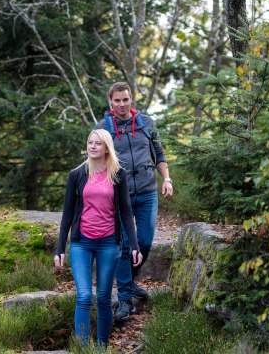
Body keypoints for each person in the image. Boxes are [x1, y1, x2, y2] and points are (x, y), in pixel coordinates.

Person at [55, 129, 143, 347]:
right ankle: (83, 350)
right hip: (81, 243)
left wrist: (134, 245)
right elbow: (67, 214)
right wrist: (60, 249)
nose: (92, 146)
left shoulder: (118, 174)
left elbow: (125, 210)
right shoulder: (77, 174)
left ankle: (102, 348)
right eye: (90, 142)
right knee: (84, 297)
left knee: (104, 299)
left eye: (97, 143)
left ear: (106, 147)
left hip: (108, 244)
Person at [94, 81, 173, 323]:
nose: (121, 104)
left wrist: (167, 180)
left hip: (148, 192)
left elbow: (158, 154)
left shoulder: (147, 124)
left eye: (125, 100)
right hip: (120, 197)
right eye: (116, 100)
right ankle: (125, 299)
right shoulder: (102, 128)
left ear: (131, 99)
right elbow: (96, 161)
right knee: (126, 246)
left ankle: (129, 282)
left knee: (146, 242)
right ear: (110, 102)